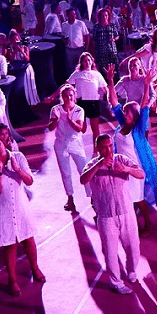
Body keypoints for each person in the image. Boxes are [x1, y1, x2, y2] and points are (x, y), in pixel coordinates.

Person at [105, 64, 157, 235]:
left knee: (137, 198)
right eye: (124, 112)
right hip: (121, 167)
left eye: (127, 112)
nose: (124, 114)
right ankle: (133, 225)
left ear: (135, 115)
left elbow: (144, 105)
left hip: (135, 169)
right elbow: (114, 102)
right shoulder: (122, 124)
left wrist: (146, 85)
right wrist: (110, 81)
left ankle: (147, 223)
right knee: (126, 198)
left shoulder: (138, 129)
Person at [80, 134, 145, 294]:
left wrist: (127, 169)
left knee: (134, 248)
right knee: (110, 252)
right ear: (97, 148)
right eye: (104, 147)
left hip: (127, 212)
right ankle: (116, 282)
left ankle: (131, 270)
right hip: (106, 216)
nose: (109, 150)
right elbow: (83, 179)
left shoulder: (121, 159)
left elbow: (141, 174)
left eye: (110, 146)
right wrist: (99, 165)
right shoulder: (92, 164)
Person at [0, 134, 43, 296]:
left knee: (28, 239)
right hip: (3, 210)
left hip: (21, 206)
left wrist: (17, 169)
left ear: (3, 142)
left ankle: (35, 269)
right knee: (10, 244)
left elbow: (29, 181)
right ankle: (12, 280)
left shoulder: (18, 157)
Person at [49, 84, 89, 215]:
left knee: (84, 170)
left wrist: (69, 120)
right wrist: (56, 119)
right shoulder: (55, 109)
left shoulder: (79, 110)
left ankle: (93, 197)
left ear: (74, 96)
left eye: (71, 95)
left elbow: (79, 128)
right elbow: (50, 127)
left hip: (75, 143)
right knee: (65, 173)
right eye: (65, 96)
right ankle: (70, 199)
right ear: (62, 97)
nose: (68, 98)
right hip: (60, 144)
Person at [67, 52, 108, 141]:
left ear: (92, 62)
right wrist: (53, 96)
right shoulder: (77, 73)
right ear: (81, 62)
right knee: (82, 129)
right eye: (84, 61)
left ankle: (96, 148)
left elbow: (106, 90)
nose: (87, 62)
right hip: (81, 103)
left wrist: (111, 102)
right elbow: (66, 85)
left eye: (89, 60)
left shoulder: (97, 74)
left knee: (95, 129)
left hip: (94, 103)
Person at [92, 7, 121, 75]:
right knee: (103, 71)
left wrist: (114, 39)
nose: (104, 17)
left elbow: (117, 36)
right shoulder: (96, 27)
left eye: (106, 15)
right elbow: (93, 40)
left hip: (112, 51)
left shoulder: (112, 26)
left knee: (115, 70)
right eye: (102, 16)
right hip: (101, 52)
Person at [63, 8, 89, 74]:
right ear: (67, 15)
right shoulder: (64, 25)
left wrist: (86, 48)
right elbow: (63, 36)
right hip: (69, 50)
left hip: (79, 49)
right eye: (71, 15)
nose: (74, 16)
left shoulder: (80, 23)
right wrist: (64, 40)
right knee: (69, 68)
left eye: (74, 14)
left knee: (81, 67)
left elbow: (87, 36)